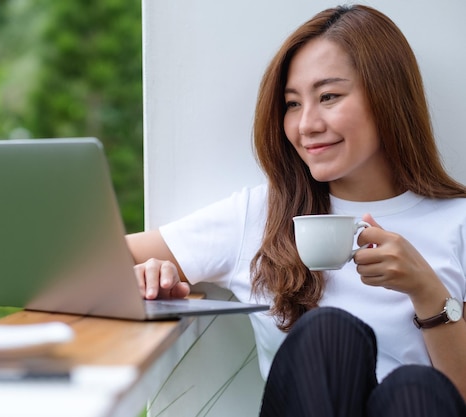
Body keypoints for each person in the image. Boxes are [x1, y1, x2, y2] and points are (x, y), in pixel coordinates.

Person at [126, 4, 466, 416]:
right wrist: (142, 277)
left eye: (328, 97)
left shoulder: (457, 222)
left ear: (388, 97)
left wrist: (427, 291)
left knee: (418, 389)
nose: (306, 125)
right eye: (291, 104)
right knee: (330, 333)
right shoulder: (260, 214)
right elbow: (77, 266)